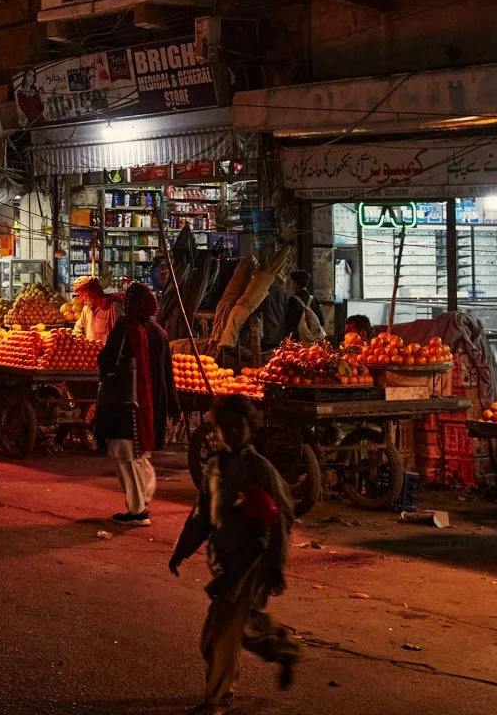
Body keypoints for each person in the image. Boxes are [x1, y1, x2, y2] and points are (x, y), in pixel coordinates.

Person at [170, 395, 300, 714]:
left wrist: (276, 567)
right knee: (235, 629)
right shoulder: (215, 464)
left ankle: (218, 698)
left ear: (251, 428)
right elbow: (202, 513)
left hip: (251, 561)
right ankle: (284, 647)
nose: (231, 431)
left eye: (237, 425)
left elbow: (281, 518)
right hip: (224, 559)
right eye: (225, 426)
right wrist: (182, 550)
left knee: (223, 633)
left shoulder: (260, 468)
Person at [97, 282, 176, 526]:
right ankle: (142, 498)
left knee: (125, 455)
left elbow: (107, 360)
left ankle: (137, 509)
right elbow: (167, 373)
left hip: (127, 404)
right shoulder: (160, 333)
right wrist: (173, 406)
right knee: (139, 455)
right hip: (152, 406)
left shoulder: (125, 330)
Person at [72, 275, 120, 342]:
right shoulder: (86, 309)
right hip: (90, 351)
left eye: (83, 295)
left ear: (92, 293)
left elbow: (122, 334)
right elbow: (78, 326)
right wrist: (79, 339)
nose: (82, 299)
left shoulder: (113, 307)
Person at [285, 270, 325, 343]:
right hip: (313, 341)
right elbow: (321, 321)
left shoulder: (292, 301)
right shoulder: (313, 299)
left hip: (298, 341)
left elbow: (290, 323)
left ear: (295, 283)